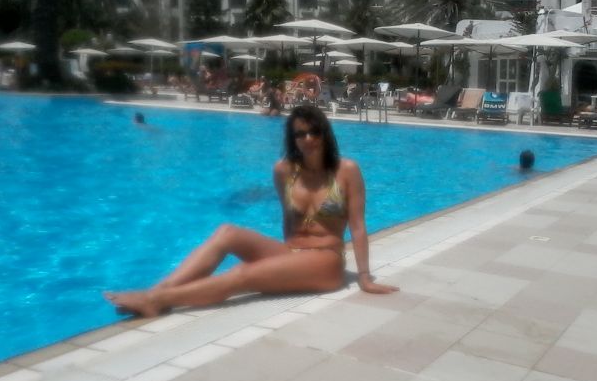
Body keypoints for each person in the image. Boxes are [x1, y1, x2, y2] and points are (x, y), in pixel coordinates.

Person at [105, 105, 398, 317]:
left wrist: (364, 276)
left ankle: (157, 300)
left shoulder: (346, 171)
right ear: (292, 138)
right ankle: (158, 291)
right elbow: (288, 222)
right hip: (292, 253)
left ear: (325, 133)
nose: (308, 138)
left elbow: (357, 226)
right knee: (227, 233)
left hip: (326, 261)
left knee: (244, 274)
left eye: (314, 131)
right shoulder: (283, 171)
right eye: (300, 133)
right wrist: (282, 264)